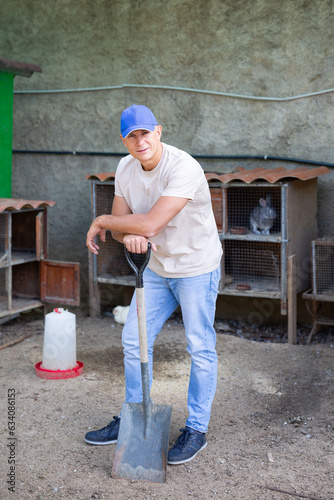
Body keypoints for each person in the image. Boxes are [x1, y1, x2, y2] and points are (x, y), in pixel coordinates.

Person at [85, 104, 222, 465]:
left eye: (145, 133)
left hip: (195, 266)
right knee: (133, 340)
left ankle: (196, 429)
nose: (139, 141)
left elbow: (143, 224)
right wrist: (123, 229)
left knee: (199, 345)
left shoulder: (183, 167)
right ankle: (133, 415)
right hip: (158, 269)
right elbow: (122, 226)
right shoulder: (125, 167)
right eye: (132, 135)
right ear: (124, 140)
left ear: (158, 132)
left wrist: (106, 220)